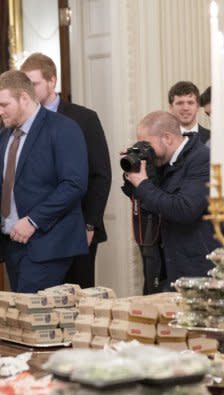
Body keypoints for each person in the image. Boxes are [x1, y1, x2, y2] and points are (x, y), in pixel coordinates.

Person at [0, 70, 88, 292]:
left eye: (4, 104)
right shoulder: (4, 135)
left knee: (32, 317)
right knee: (21, 318)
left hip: (48, 243)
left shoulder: (63, 128)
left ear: (24, 97)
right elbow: (1, 183)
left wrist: (33, 221)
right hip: (12, 243)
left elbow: (74, 185)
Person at [21, 53, 112, 288]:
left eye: (34, 83)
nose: (28, 90)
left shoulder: (83, 118)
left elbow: (100, 175)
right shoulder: (19, 121)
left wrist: (90, 223)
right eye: (24, 84)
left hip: (79, 227)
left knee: (78, 299)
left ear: (52, 81)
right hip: (35, 231)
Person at [123, 111, 216, 285]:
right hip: (166, 264)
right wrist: (134, 178)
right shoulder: (162, 162)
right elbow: (151, 205)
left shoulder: (202, 159)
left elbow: (184, 209)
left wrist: (143, 184)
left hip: (197, 268)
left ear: (167, 137)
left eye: (147, 144)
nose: (146, 151)